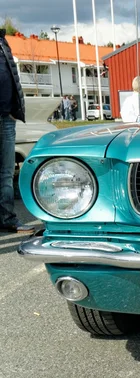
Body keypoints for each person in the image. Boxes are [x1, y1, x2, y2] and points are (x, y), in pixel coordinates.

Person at [0, 29, 34, 233]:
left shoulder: (3, 41)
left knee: (6, 172)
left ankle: (7, 218)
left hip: (6, 117)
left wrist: (15, 110)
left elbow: (13, 77)